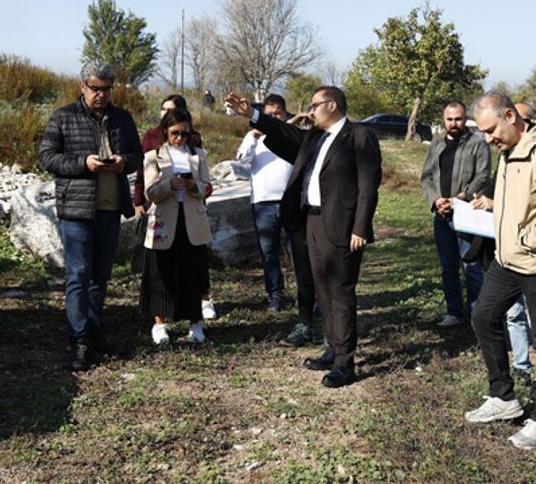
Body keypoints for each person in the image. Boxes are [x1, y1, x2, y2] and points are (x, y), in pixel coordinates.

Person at [225, 86, 382, 388]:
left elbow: (368, 185)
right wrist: (253, 115)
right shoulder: (315, 137)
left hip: (342, 225)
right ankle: (332, 350)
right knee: (322, 291)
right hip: (311, 222)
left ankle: (344, 363)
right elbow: (283, 134)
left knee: (340, 292)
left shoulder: (359, 136)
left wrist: (360, 227)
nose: (310, 112)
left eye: (314, 106)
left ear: (332, 105)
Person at [466, 92, 536, 451]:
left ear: (511, 116)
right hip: (508, 259)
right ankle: (503, 397)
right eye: (483, 132)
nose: (488, 138)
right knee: (483, 317)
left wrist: (527, 237)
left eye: (490, 129)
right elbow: (522, 201)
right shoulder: (509, 150)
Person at [38, 61, 142, 371]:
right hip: (76, 210)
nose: (101, 94)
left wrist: (125, 162)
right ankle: (78, 340)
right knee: (78, 276)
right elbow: (47, 157)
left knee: (100, 277)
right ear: (82, 86)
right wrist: (85, 163)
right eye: (95, 88)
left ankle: (95, 333)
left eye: (107, 89)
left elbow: (137, 154)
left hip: (110, 208)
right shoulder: (64, 117)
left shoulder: (122, 118)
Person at [236, 94, 318, 346]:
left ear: (285, 114)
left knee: (299, 252)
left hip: (291, 202)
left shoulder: (293, 137)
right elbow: (241, 162)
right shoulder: (254, 139)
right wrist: (253, 135)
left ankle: (306, 298)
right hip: (262, 202)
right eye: (269, 115)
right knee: (269, 251)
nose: (273, 119)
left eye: (278, 115)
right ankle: (276, 294)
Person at [133, 95, 217, 320]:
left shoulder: (198, 156)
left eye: (185, 133)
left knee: (193, 273)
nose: (180, 138)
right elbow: (151, 191)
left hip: (191, 221)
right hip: (163, 219)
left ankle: (195, 322)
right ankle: (159, 323)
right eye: (175, 133)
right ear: (165, 132)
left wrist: (193, 186)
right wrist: (169, 186)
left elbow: (208, 188)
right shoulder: (153, 156)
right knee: (160, 273)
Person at [420, 100, 490, 328]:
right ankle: (454, 312)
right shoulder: (437, 145)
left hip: (467, 215)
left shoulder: (477, 144)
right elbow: (427, 177)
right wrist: (436, 200)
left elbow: (483, 176)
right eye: (449, 119)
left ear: (465, 119)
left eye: (458, 119)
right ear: (444, 120)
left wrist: (460, 197)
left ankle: (476, 315)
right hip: (441, 215)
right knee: (448, 266)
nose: (453, 123)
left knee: (471, 266)